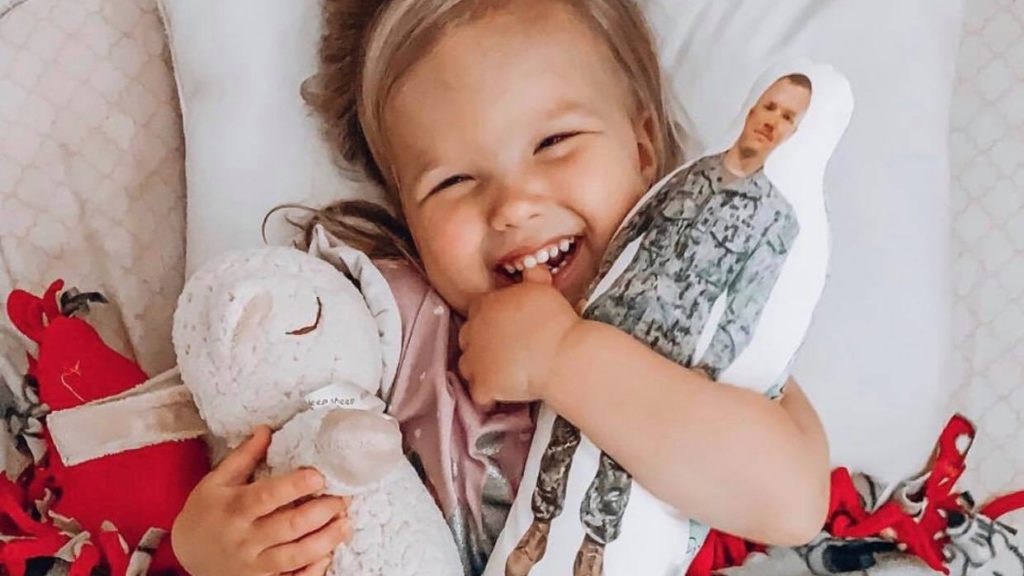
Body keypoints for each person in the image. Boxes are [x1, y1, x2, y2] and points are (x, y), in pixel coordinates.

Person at [170, 2, 830, 575]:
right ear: (407, 213)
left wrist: (564, 358)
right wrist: (209, 547)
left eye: (554, 141)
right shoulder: (388, 323)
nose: (513, 204)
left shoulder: (693, 316)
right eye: (454, 181)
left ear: (642, 145)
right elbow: (272, 443)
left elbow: (794, 504)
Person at [511, 74, 814, 576]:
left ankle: (594, 544)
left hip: (673, 344)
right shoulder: (687, 181)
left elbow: (747, 307)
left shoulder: (775, 218)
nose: (772, 120)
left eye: (788, 117)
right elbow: (636, 227)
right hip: (615, 309)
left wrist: (705, 374)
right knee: (565, 436)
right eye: (770, 105)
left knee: (622, 453)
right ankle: (541, 525)